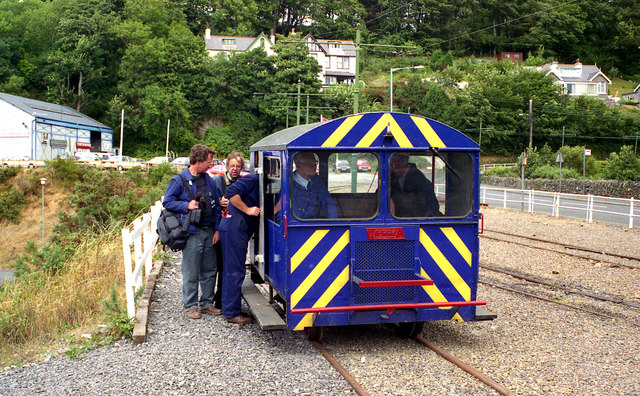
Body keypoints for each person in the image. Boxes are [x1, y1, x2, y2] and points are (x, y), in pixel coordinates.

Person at [162, 144, 221, 319]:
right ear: (198, 161)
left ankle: (206, 303)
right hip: (192, 232)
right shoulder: (179, 180)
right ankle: (190, 305)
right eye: (208, 161)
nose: (210, 165)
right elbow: (167, 202)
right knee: (191, 270)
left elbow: (216, 205)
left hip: (209, 230)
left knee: (210, 269)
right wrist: (186, 205)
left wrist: (217, 229)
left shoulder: (208, 179)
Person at [220, 172, 260, 324]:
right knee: (234, 270)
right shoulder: (254, 178)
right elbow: (231, 193)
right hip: (235, 227)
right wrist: (248, 209)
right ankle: (231, 313)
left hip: (240, 228)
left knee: (233, 269)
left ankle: (229, 308)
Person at [211, 151, 244, 310]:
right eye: (232, 166)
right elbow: (207, 202)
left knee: (232, 267)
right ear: (227, 167)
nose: (235, 169)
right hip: (220, 230)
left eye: (238, 166)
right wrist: (219, 202)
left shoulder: (244, 183)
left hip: (236, 231)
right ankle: (215, 301)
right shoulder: (217, 182)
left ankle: (227, 302)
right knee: (219, 266)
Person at [389, 152, 440, 217]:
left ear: (397, 162)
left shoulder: (420, 181)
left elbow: (432, 208)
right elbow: (381, 193)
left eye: (392, 164)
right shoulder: (393, 178)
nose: (391, 168)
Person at [291, 152, 338, 219]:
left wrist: (333, 223)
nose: (314, 166)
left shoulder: (316, 179)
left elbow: (328, 202)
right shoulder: (290, 184)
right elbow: (293, 217)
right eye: (309, 163)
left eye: (315, 162)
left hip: (316, 224)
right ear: (298, 165)